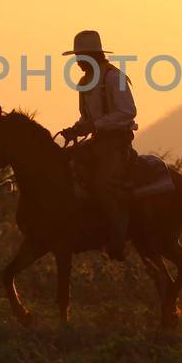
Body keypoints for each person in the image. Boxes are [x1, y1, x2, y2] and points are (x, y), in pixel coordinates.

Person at [57, 30, 138, 261]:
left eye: (81, 57)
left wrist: (94, 125)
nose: (77, 62)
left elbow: (127, 113)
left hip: (116, 143)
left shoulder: (114, 78)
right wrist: (77, 128)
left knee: (104, 184)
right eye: (77, 57)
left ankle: (117, 240)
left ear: (93, 56)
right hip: (97, 142)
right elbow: (86, 119)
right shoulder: (84, 82)